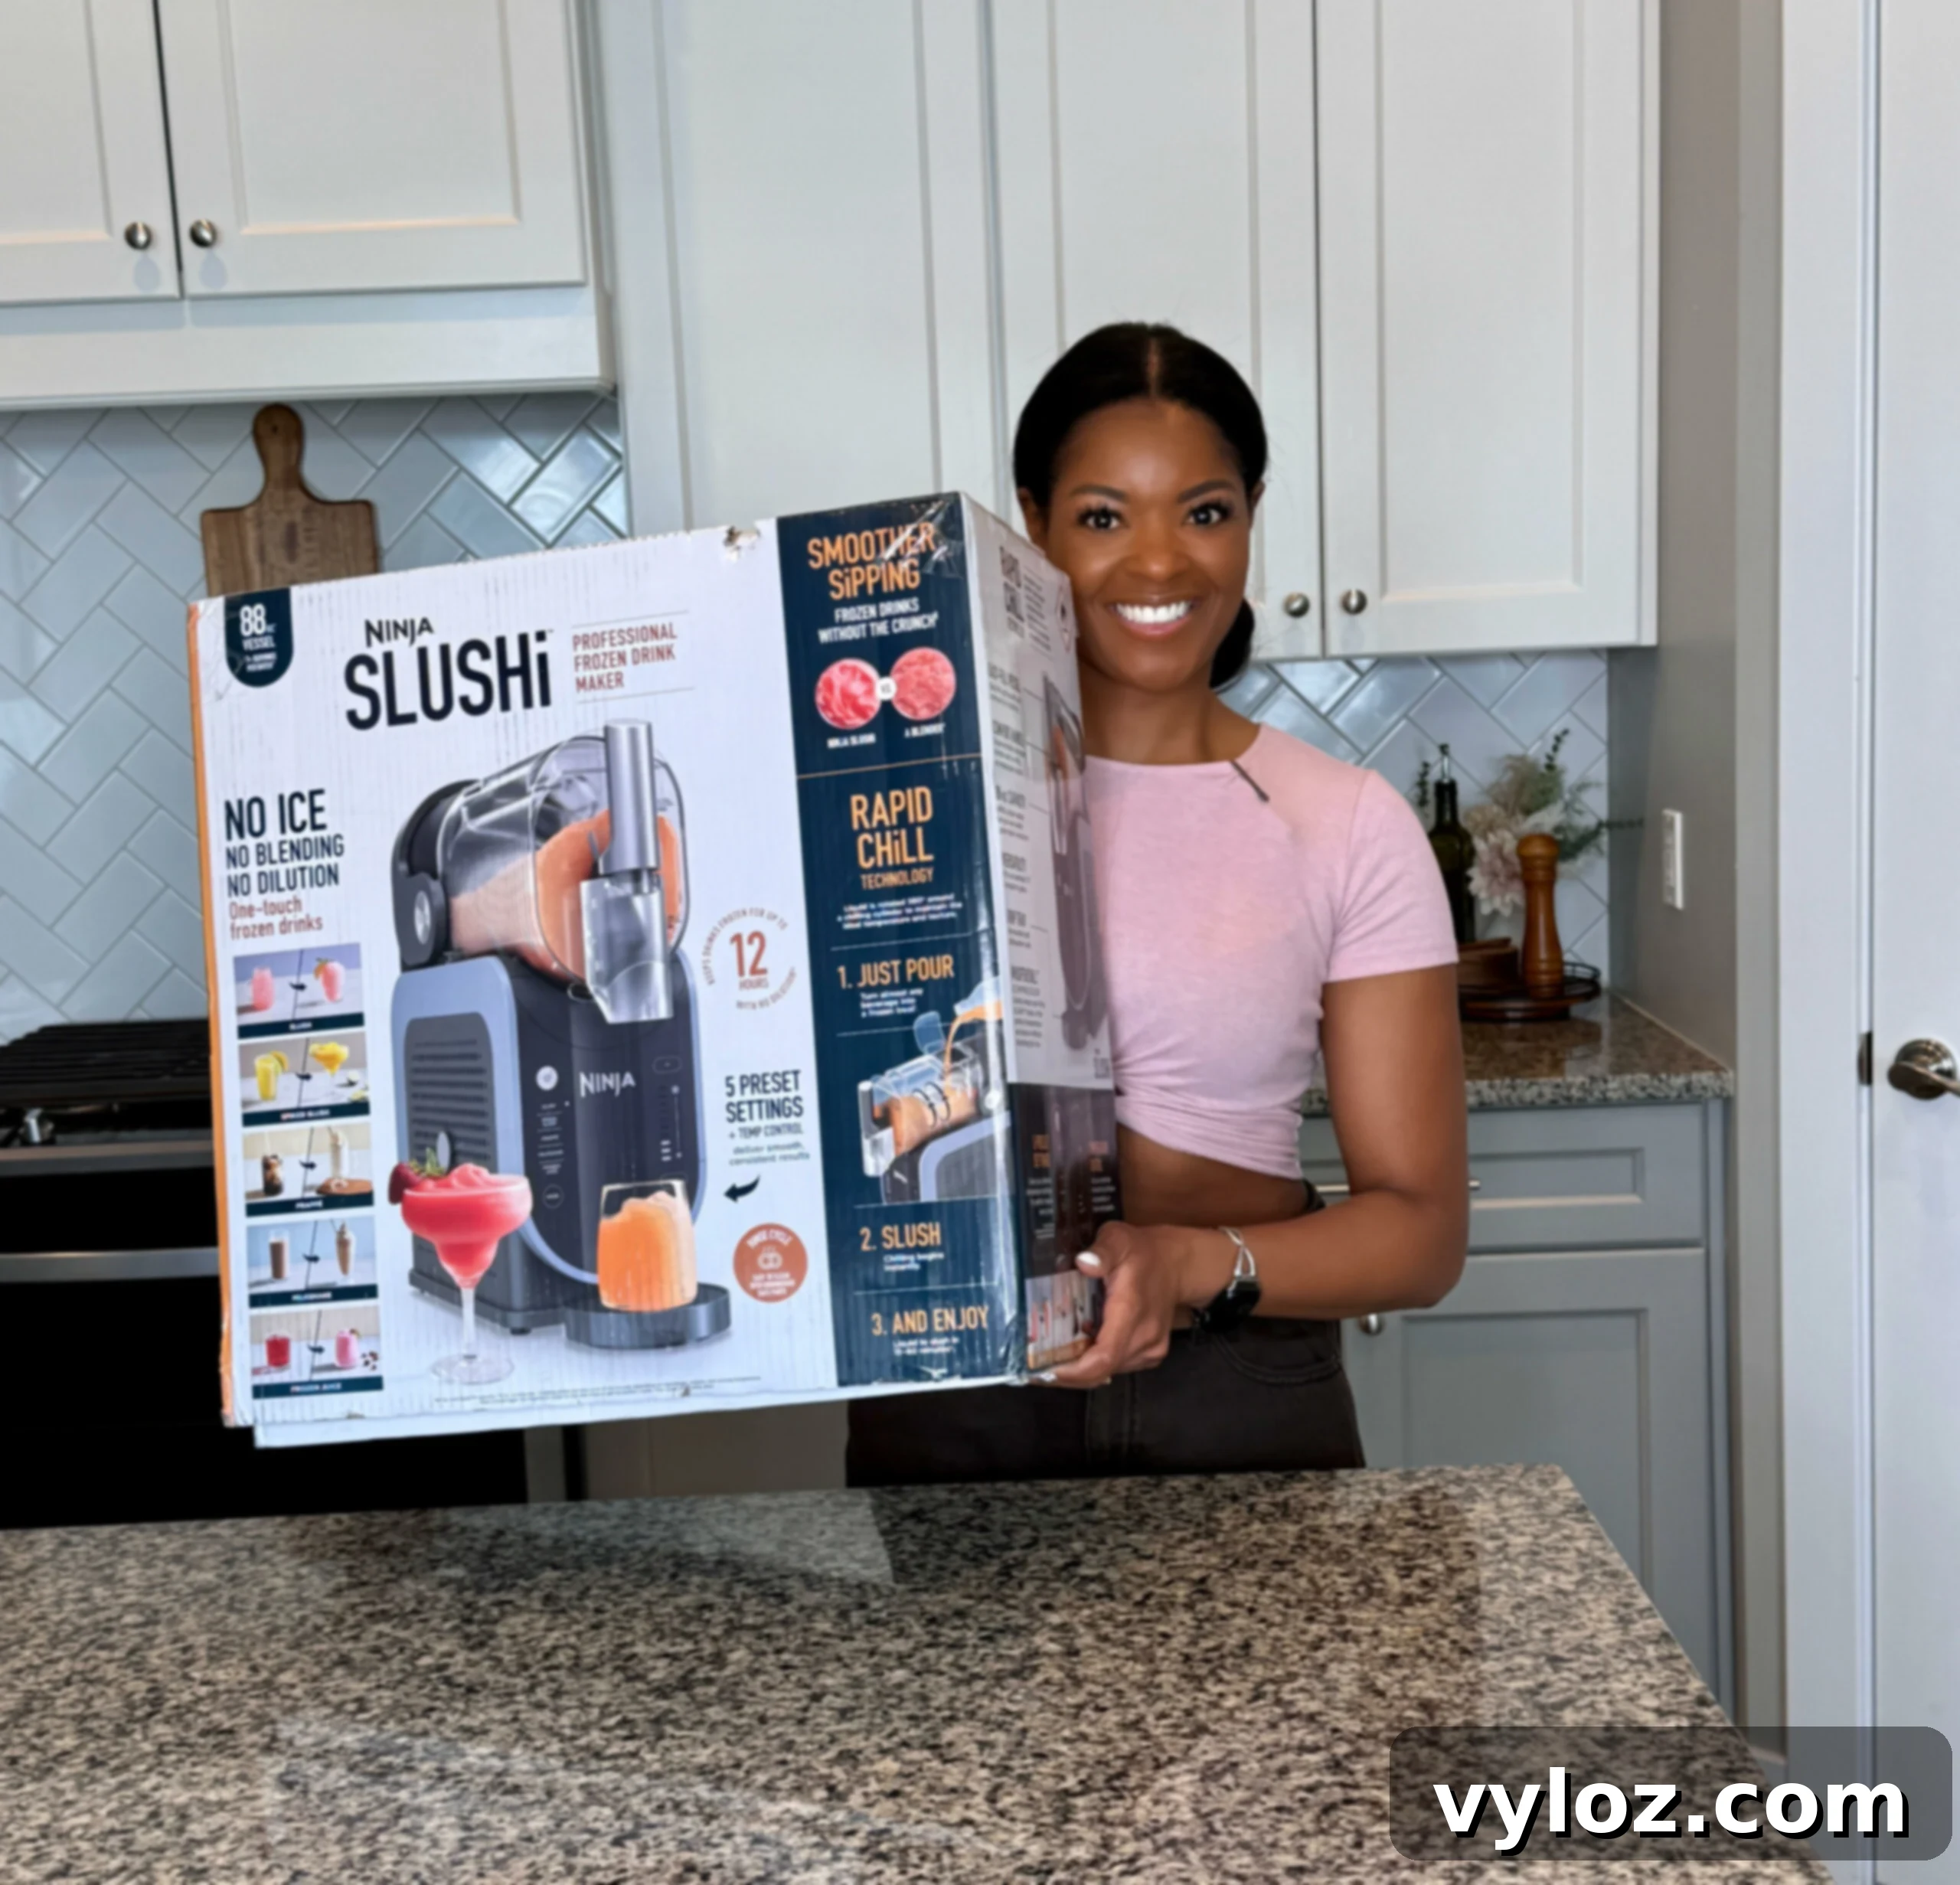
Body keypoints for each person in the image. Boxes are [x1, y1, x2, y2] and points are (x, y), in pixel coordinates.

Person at [847, 323, 1468, 1482]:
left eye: (1203, 510)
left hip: (1237, 1380)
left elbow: (1423, 1233)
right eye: (1101, 516)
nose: (1159, 565)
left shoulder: (1345, 821)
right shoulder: (912, 806)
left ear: (1252, 512)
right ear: (1030, 521)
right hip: (957, 1383)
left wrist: (1187, 1266)